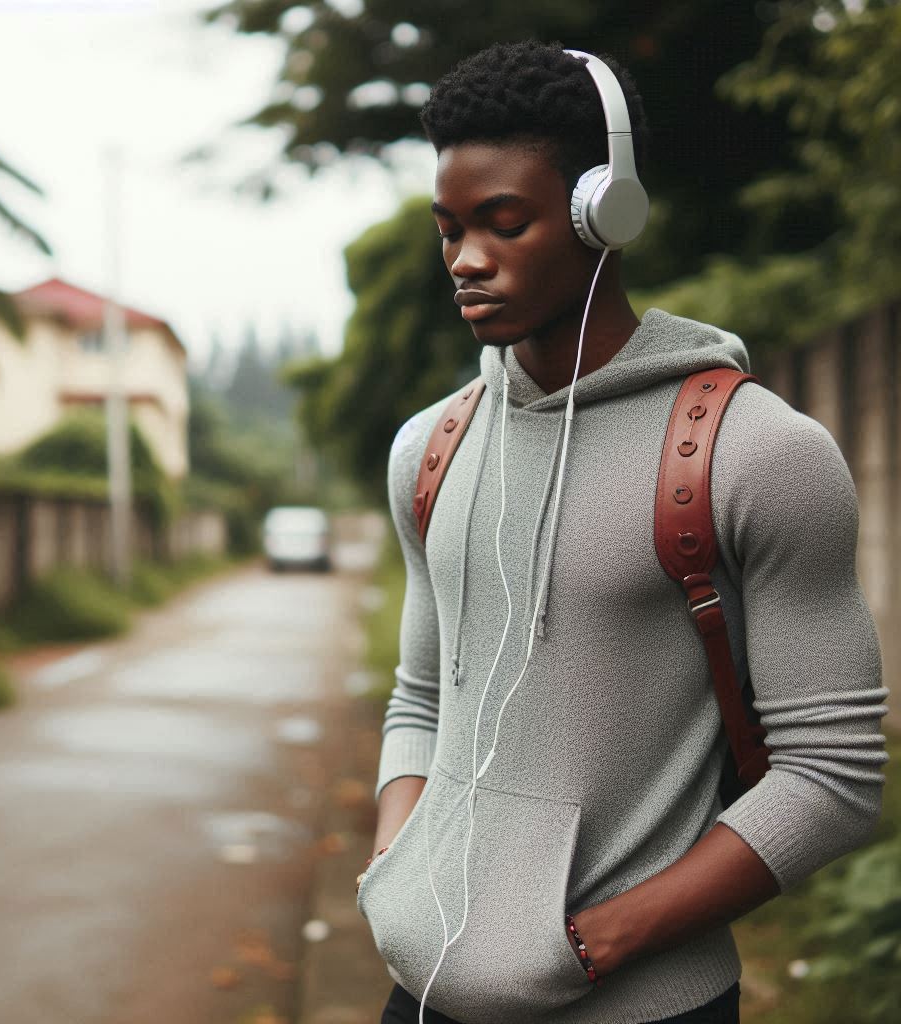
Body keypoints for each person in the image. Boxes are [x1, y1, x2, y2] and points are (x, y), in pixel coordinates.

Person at [354, 40, 889, 1024]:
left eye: (503, 223)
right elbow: (422, 696)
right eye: (451, 229)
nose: (467, 259)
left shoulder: (754, 453)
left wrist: (597, 943)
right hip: (420, 995)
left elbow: (834, 773)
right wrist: (398, 861)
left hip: (643, 1007)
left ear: (607, 210)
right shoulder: (426, 451)